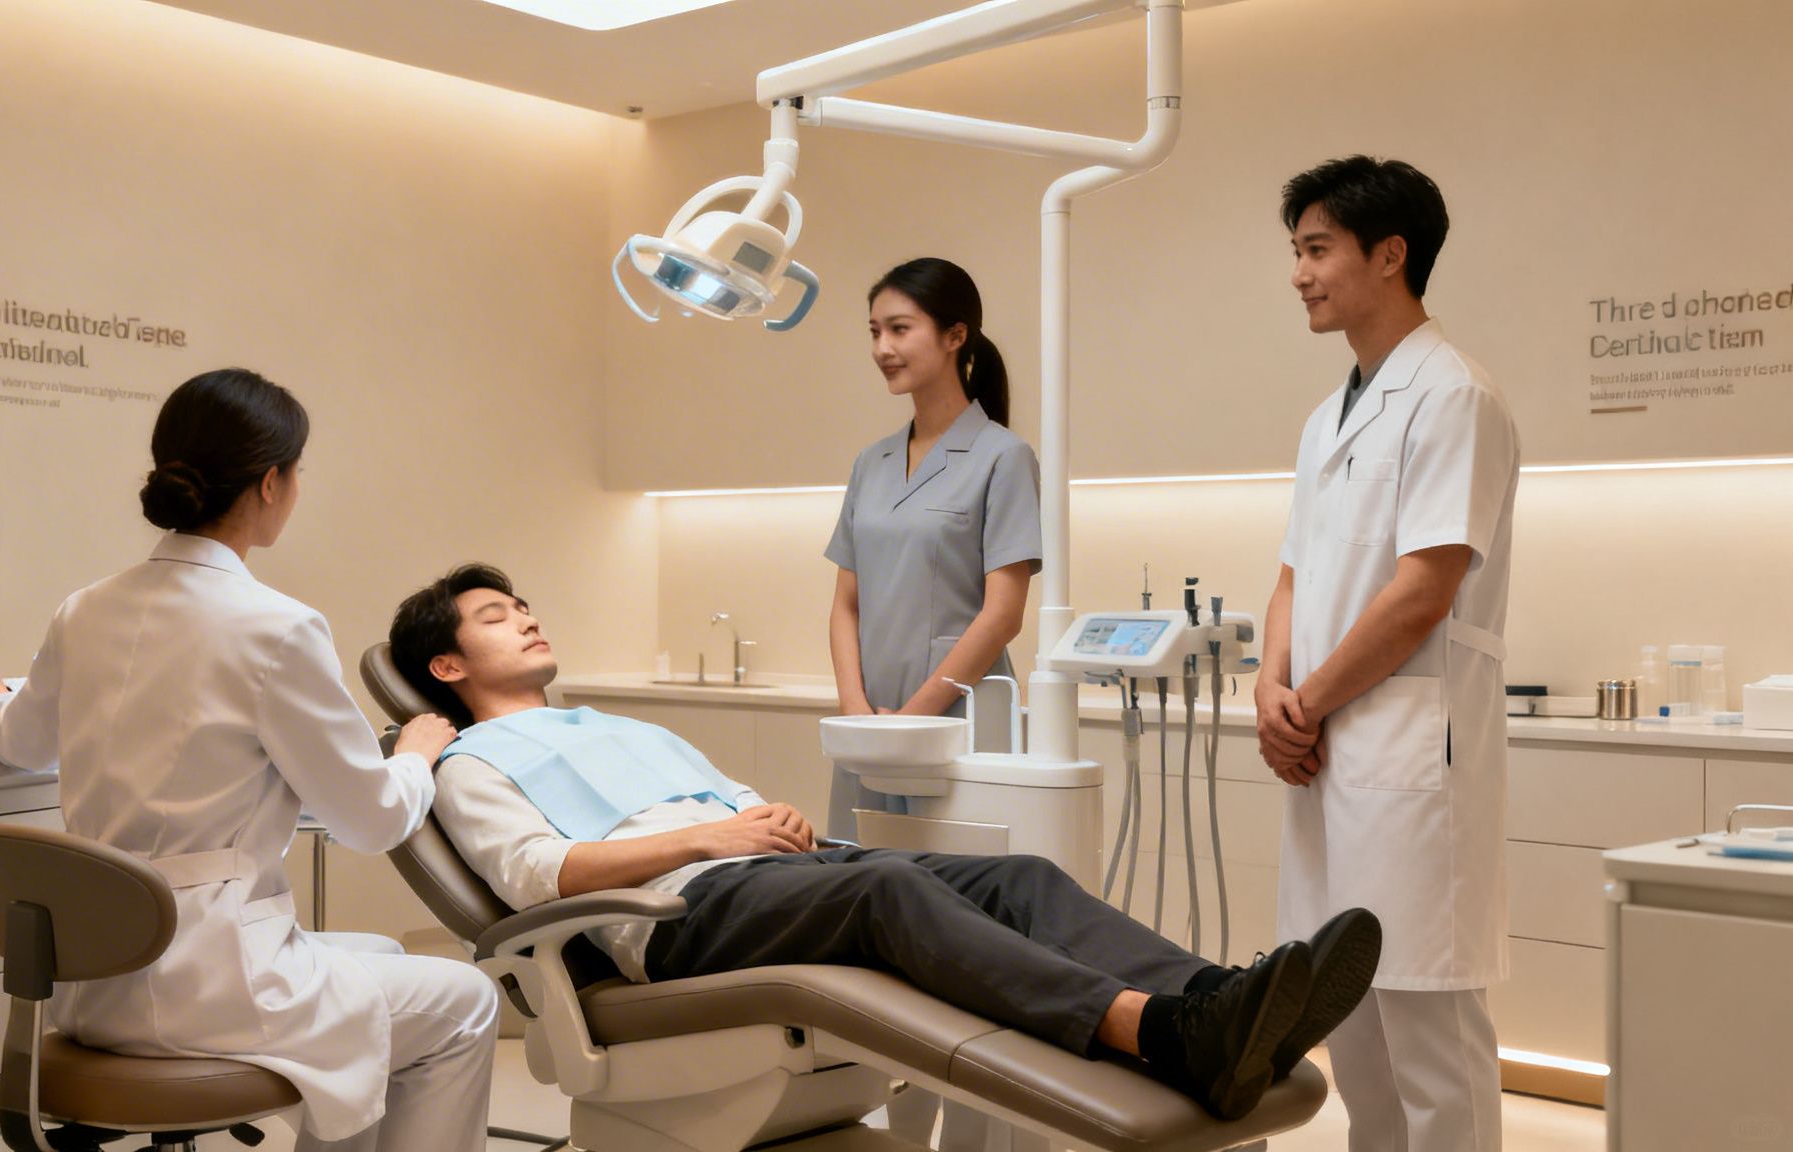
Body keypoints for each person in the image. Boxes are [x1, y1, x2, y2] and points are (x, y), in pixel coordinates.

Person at [389, 563, 1385, 1124]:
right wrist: (713, 836)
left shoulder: (617, 725)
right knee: (890, 898)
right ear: (446, 666)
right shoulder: (468, 762)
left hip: (762, 875)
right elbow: (540, 876)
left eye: (523, 605)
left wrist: (768, 821)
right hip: (667, 921)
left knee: (1017, 877)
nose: (525, 619)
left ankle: (1223, 1004)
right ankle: (1160, 1034)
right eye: (495, 617)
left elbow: (736, 803)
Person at [0, 369, 497, 1152]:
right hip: (208, 983)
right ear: (270, 482)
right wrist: (414, 754)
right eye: (297, 472)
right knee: (466, 1000)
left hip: (92, 986)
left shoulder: (85, 609)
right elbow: (371, 822)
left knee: (380, 958)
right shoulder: (278, 627)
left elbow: (21, 740)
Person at [1255, 156, 1520, 1152]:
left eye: (1316, 249)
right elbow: (1291, 574)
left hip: (1405, 753)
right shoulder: (1326, 418)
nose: (1299, 273)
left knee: (1428, 1033)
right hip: (1327, 753)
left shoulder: (1452, 397)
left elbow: (1421, 591)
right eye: (1296, 251)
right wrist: (1269, 687)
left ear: (1389, 254)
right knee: (1350, 1022)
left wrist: (1307, 703)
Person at [826, 258, 1041, 845]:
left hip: (957, 722)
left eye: (900, 329)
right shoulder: (870, 463)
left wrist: (912, 720)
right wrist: (856, 714)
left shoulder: (1003, 458)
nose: (883, 348)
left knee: (954, 884)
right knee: (859, 877)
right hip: (871, 725)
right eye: (875, 331)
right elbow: (846, 604)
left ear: (955, 335)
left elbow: (1003, 615)